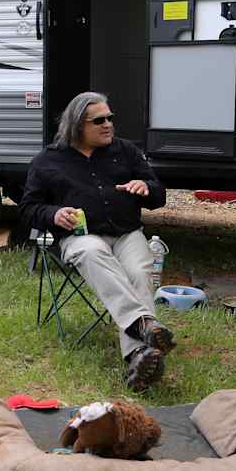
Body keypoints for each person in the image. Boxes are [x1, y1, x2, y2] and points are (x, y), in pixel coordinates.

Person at [18, 92, 175, 391]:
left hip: (127, 233)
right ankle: (143, 326)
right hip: (81, 238)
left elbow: (159, 195)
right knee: (92, 253)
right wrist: (53, 214)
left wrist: (145, 186)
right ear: (78, 126)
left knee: (140, 271)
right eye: (99, 120)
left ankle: (139, 355)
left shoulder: (125, 152)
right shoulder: (47, 161)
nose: (108, 125)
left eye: (110, 118)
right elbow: (27, 209)